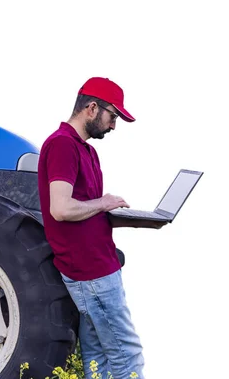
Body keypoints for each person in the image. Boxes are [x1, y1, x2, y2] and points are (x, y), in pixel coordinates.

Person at [37, 77, 166, 379]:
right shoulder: (62, 145)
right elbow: (61, 208)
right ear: (92, 108)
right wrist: (104, 203)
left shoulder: (87, 151)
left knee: (96, 361)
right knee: (127, 356)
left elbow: (86, 211)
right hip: (90, 273)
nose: (113, 125)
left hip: (99, 267)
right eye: (113, 116)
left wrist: (130, 218)